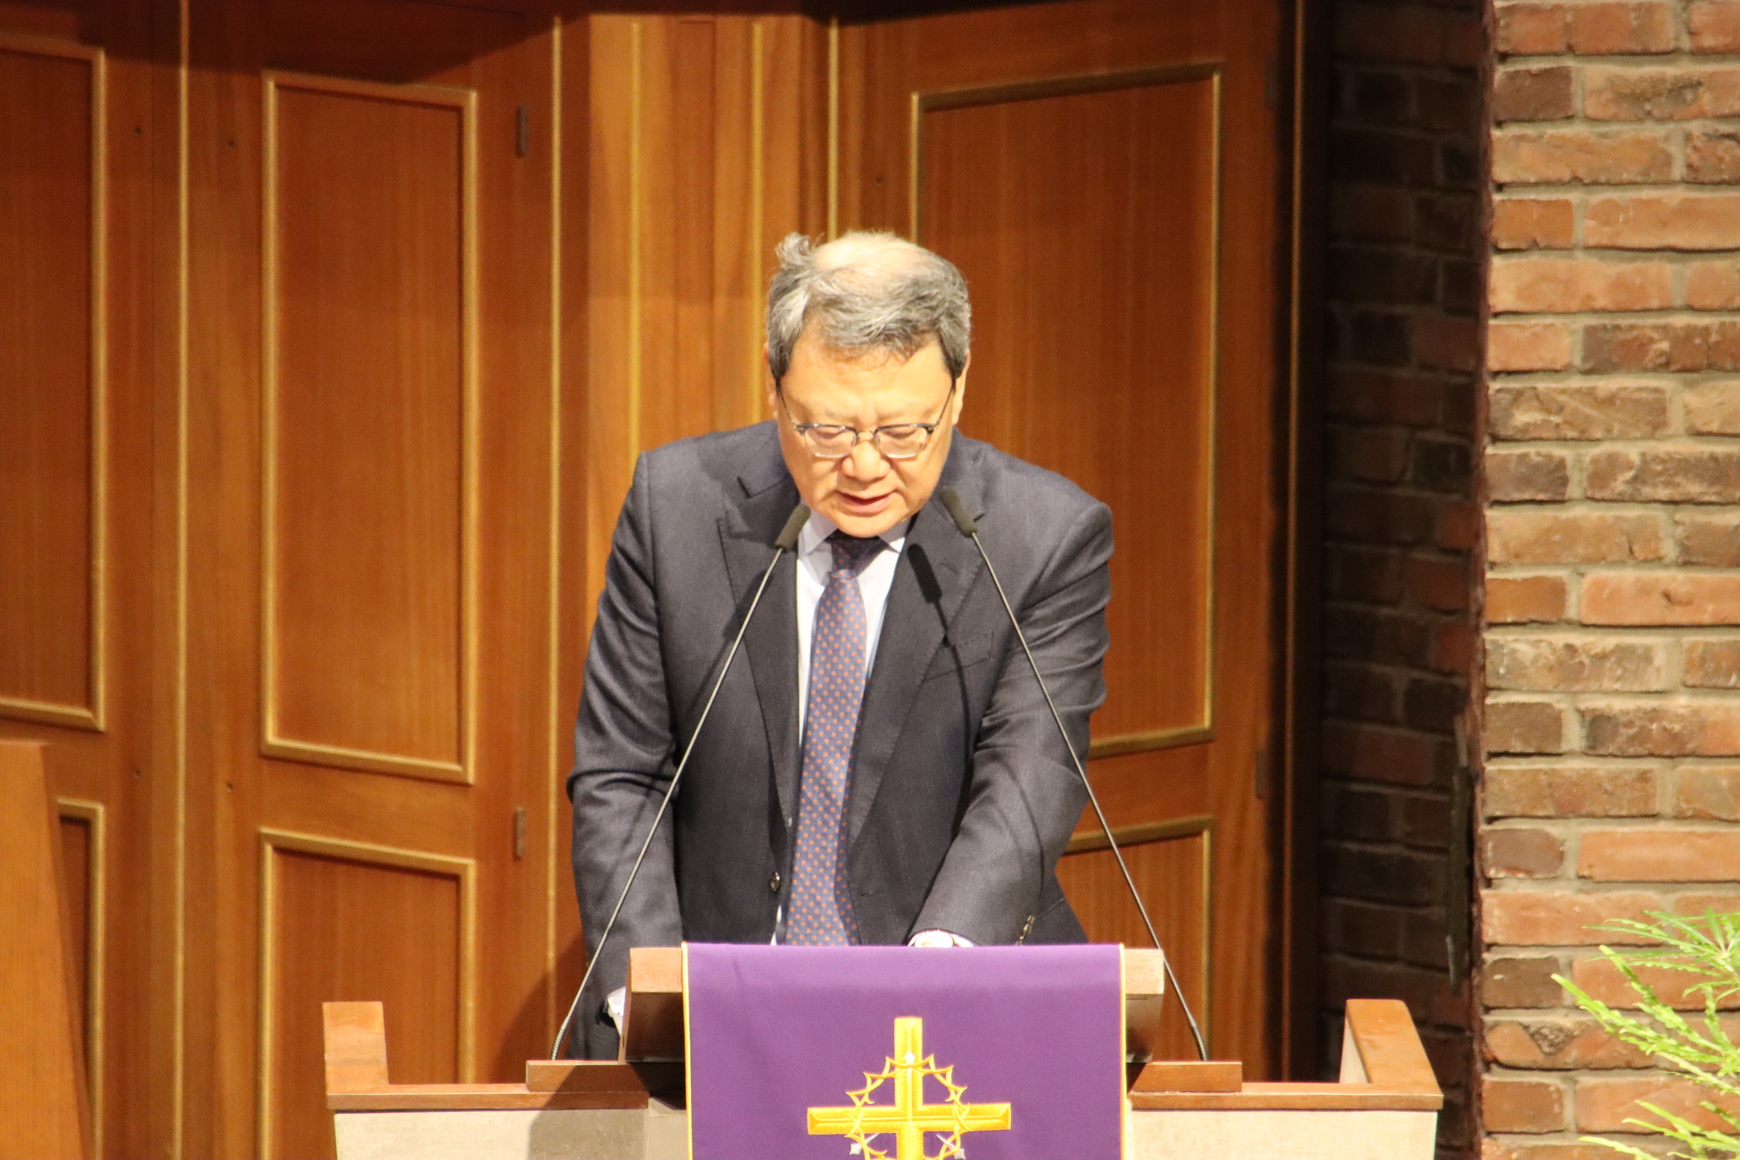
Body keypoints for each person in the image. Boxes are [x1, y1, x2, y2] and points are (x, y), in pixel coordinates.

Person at [567, 230, 1112, 1058]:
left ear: (959, 389)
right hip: (712, 1010)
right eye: (825, 429)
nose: (863, 466)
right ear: (774, 382)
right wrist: (651, 995)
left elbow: (1029, 777)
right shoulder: (674, 508)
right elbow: (622, 774)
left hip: (956, 1004)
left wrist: (936, 976)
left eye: (903, 432)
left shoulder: (1044, 537)